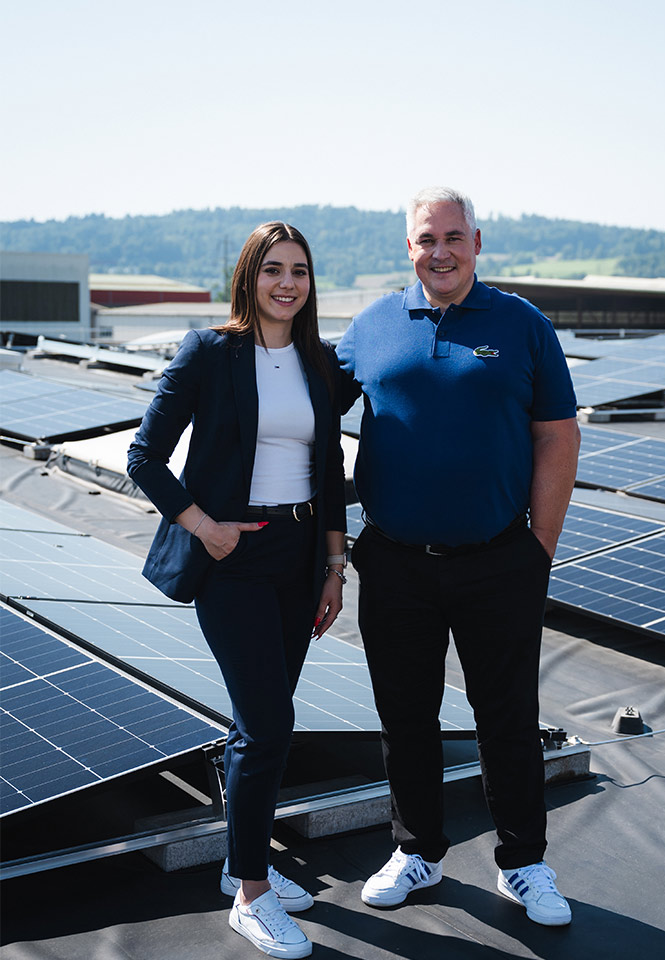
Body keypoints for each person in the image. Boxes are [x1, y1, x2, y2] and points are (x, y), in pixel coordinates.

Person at [336, 187, 580, 927]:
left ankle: (524, 863)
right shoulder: (371, 327)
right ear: (407, 247)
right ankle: (418, 852)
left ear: (477, 242)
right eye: (424, 239)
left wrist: (538, 546)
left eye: (453, 237)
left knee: (506, 715)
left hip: (499, 558)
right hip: (397, 560)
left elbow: (557, 436)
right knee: (404, 715)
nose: (439, 252)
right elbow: (305, 415)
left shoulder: (522, 325)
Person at [128, 221, 346, 959]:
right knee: (267, 724)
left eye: (301, 271)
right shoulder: (210, 353)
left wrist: (334, 565)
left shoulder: (319, 362)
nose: (288, 283)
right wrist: (202, 525)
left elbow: (332, 470)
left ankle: (236, 862)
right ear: (248, 276)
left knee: (263, 721)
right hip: (234, 555)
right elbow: (144, 457)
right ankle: (252, 897)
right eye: (274, 269)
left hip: (299, 554)